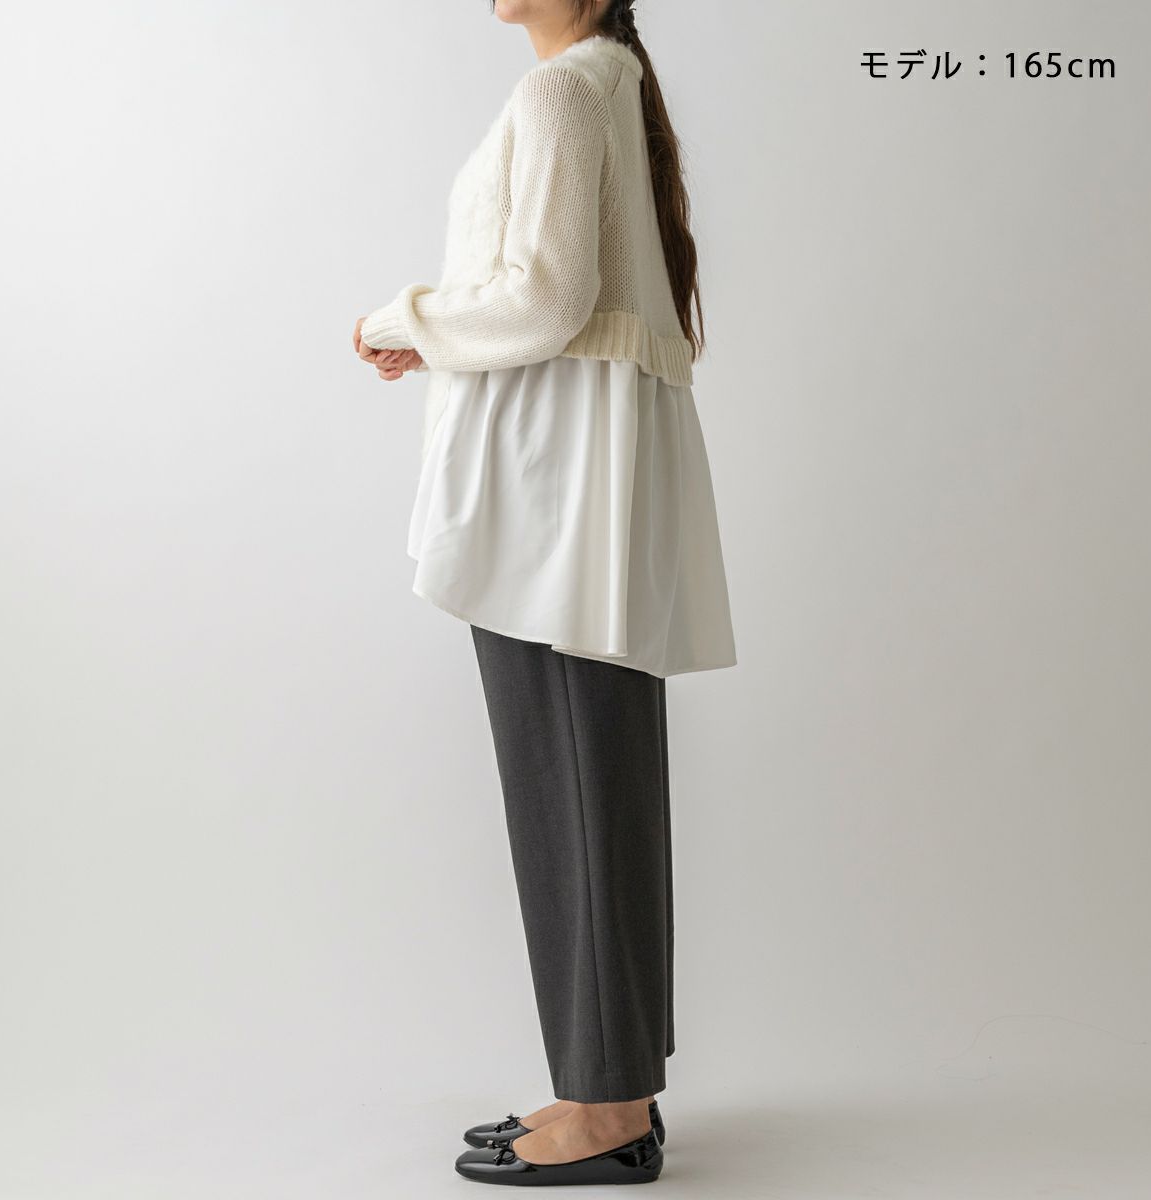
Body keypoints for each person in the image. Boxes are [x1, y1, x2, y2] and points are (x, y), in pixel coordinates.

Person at [353, 0, 736, 1185]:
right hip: (579, 474)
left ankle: (606, 1109)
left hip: (551, 484)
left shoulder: (563, 90)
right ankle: (606, 1084)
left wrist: (400, 317)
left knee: (568, 772)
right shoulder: (607, 82)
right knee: (592, 774)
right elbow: (564, 297)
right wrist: (443, 333)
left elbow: (544, 300)